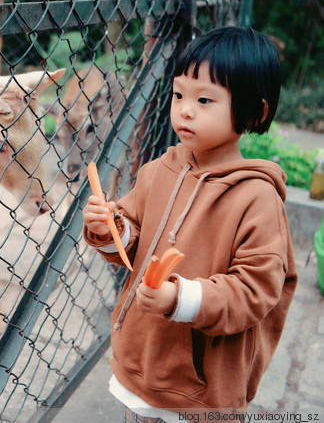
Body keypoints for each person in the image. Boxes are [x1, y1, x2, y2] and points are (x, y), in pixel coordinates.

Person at [82, 26, 297, 421]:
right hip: (140, 363)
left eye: (204, 100)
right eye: (179, 94)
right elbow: (130, 240)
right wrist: (107, 228)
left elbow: (257, 289)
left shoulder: (257, 198)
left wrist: (181, 300)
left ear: (255, 111)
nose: (184, 109)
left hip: (200, 388)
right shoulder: (158, 170)